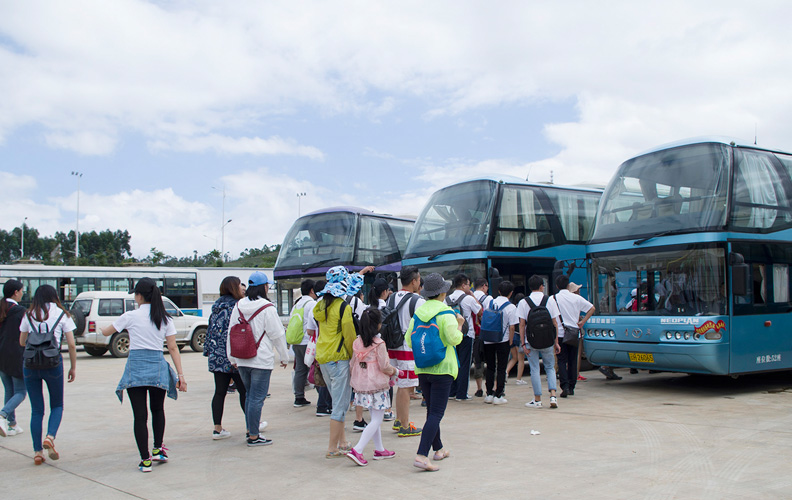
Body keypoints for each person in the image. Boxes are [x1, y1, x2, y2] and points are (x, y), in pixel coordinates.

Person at [103, 278, 185, 472]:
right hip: (157, 368)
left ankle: (145, 460)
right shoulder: (165, 318)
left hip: (136, 369)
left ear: (139, 295)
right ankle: (158, 449)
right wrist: (181, 375)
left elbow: (107, 331)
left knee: (140, 417)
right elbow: (173, 347)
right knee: (158, 410)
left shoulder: (130, 316)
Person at [405, 273, 464, 472]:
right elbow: (454, 339)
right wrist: (460, 326)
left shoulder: (419, 313)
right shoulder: (446, 313)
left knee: (432, 411)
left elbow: (408, 339)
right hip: (443, 369)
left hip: (423, 368)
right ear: (442, 292)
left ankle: (438, 449)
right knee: (437, 413)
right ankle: (422, 455)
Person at [227, 271, 288, 447]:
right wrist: (283, 356)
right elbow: (277, 334)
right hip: (261, 359)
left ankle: (250, 429)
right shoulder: (267, 307)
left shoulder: (238, 305)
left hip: (242, 358)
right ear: (264, 287)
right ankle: (254, 436)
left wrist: (232, 357)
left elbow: (231, 332)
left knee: (249, 396)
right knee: (256, 398)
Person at [19, 284, 77, 466]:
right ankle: (50, 437)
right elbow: (72, 344)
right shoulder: (62, 314)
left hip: (30, 365)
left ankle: (37, 452)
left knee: (36, 410)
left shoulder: (28, 314)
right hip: (53, 364)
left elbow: (22, 341)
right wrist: (73, 367)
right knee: (57, 405)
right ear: (54, 296)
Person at [305, 266, 359, 458]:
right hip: (339, 358)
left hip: (324, 358)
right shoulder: (343, 306)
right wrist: (356, 356)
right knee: (340, 405)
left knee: (337, 401)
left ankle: (342, 441)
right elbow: (349, 335)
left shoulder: (320, 305)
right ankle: (332, 447)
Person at [346, 308, 398, 466]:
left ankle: (380, 449)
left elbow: (352, 364)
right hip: (377, 385)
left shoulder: (357, 342)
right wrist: (396, 371)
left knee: (375, 417)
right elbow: (384, 366)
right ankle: (358, 450)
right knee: (377, 419)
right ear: (378, 326)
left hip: (362, 384)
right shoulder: (379, 344)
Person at [204, 276, 247, 440]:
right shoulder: (237, 306)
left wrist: (209, 352)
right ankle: (252, 425)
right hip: (234, 355)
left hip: (216, 357)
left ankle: (217, 428)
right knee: (244, 391)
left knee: (219, 392)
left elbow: (210, 331)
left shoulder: (216, 307)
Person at [385, 266, 423, 437]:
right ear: (414, 281)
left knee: (400, 384)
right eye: (419, 279)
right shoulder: (417, 300)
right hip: (406, 348)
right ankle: (405, 425)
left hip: (391, 346)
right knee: (405, 386)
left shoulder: (392, 297)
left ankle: (399, 419)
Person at [517, 275, 560, 409]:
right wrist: (556, 342)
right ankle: (553, 396)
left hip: (531, 341)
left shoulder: (524, 302)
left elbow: (522, 325)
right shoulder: (550, 300)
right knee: (550, 367)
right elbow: (555, 323)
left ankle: (537, 399)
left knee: (534, 369)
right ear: (542, 286)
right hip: (548, 340)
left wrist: (523, 343)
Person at [553, 277, 595, 397]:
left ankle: (564, 386)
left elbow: (552, 319)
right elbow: (592, 308)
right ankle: (572, 387)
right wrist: (582, 322)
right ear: (567, 286)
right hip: (573, 333)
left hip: (560, 334)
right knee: (572, 360)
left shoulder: (553, 298)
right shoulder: (576, 298)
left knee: (561, 361)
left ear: (556, 286)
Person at [447, 274, 482, 401]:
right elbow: (480, 311)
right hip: (466, 334)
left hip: (451, 335)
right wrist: (473, 296)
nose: (469, 287)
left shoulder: (447, 299)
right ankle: (462, 394)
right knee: (464, 364)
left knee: (453, 363)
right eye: (468, 284)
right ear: (463, 285)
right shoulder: (468, 299)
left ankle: (452, 392)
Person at [482, 281, 518, 405]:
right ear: (511, 293)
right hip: (503, 339)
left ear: (499, 291)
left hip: (488, 338)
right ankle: (499, 395)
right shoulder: (511, 307)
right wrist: (511, 341)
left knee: (490, 367)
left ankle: (489, 394)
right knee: (501, 368)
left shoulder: (489, 301)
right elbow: (512, 327)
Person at [0, 280, 26, 437]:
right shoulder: (19, 311)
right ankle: (3, 415)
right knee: (21, 392)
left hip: (1, 357)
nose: (23, 293)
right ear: (15, 292)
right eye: (22, 290)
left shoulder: (2, 308)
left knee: (9, 390)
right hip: (15, 355)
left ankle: (11, 424)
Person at [287, 279, 317, 408]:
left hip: (297, 341)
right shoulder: (312, 304)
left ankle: (299, 397)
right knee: (315, 368)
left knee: (300, 368)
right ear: (312, 290)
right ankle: (323, 399)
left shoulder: (297, 304)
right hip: (307, 342)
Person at [471, 278, 491, 397]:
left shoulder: (468, 298)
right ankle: (491, 387)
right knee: (491, 361)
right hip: (487, 334)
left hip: (475, 333)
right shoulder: (488, 299)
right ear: (484, 286)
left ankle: (479, 388)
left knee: (478, 362)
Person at [505, 292, 527, 385]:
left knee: (514, 357)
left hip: (512, 335)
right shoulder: (522, 309)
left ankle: (506, 372)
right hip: (519, 335)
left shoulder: (513, 307)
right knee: (521, 359)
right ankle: (518, 379)